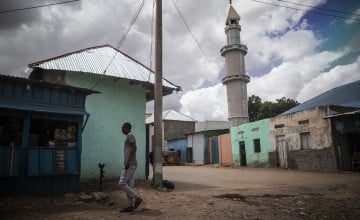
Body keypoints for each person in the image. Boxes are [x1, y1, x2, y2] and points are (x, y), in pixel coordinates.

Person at [119, 122, 143, 212]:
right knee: (129, 185)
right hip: (130, 164)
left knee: (121, 183)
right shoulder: (129, 136)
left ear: (126, 128)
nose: (121, 130)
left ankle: (137, 198)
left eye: (122, 128)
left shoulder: (130, 135)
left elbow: (134, 148)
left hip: (130, 164)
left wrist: (128, 161)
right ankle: (130, 205)